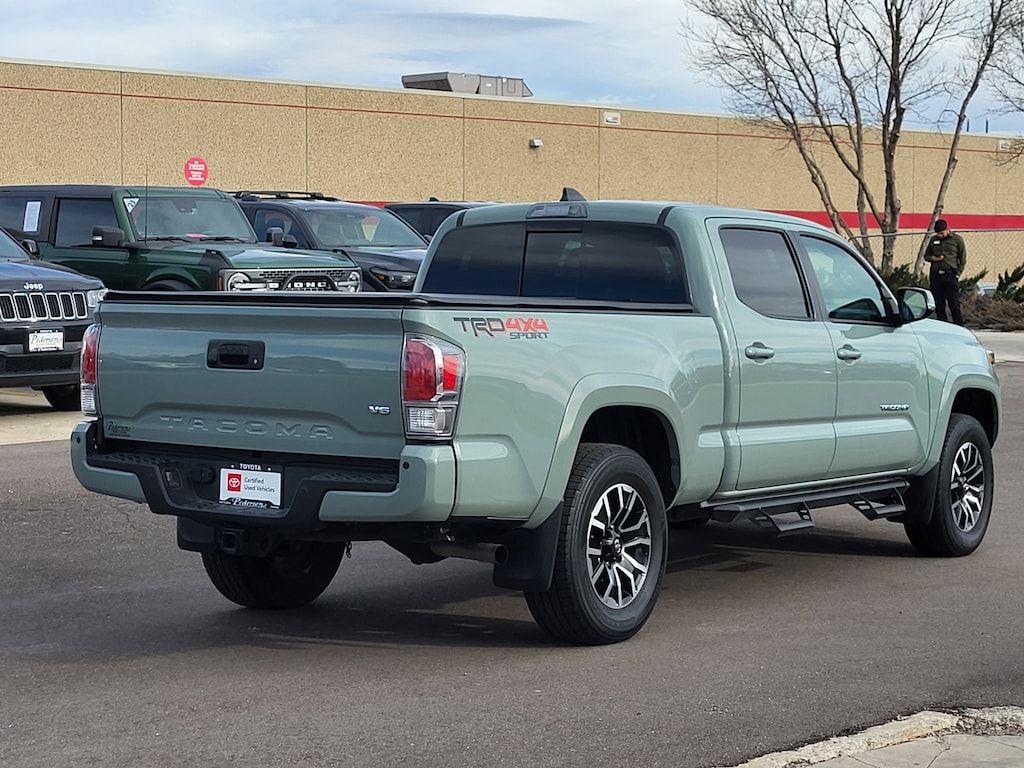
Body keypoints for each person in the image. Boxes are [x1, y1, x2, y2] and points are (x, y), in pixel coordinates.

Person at [927, 218, 967, 326]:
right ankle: (942, 325)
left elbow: (962, 259)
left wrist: (958, 273)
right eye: (938, 234)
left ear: (947, 229)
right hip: (936, 276)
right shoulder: (933, 240)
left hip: (950, 275)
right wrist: (933, 259)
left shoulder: (957, 240)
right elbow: (926, 256)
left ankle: (959, 325)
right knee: (939, 303)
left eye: (942, 233)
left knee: (953, 302)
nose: (940, 236)